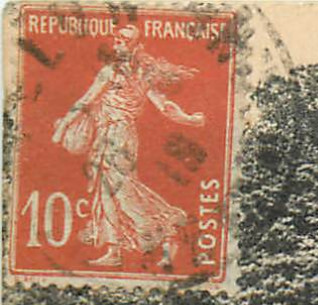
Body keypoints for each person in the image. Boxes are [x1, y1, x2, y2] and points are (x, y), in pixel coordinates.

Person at [51, 25, 204, 269]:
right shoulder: (136, 74)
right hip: (113, 134)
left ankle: (165, 229)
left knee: (122, 191)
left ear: (135, 46)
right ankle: (115, 250)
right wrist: (189, 118)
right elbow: (89, 101)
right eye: (117, 37)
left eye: (124, 38)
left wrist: (62, 128)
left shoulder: (117, 73)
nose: (118, 41)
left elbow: (86, 101)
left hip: (118, 135)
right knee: (107, 193)